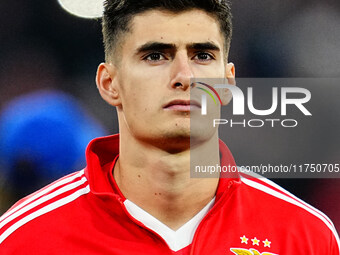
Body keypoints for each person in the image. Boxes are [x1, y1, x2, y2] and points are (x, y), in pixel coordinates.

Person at [0, 0, 339, 254]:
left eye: (202, 56)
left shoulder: (305, 236)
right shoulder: (22, 239)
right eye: (155, 56)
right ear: (109, 83)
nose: (184, 76)